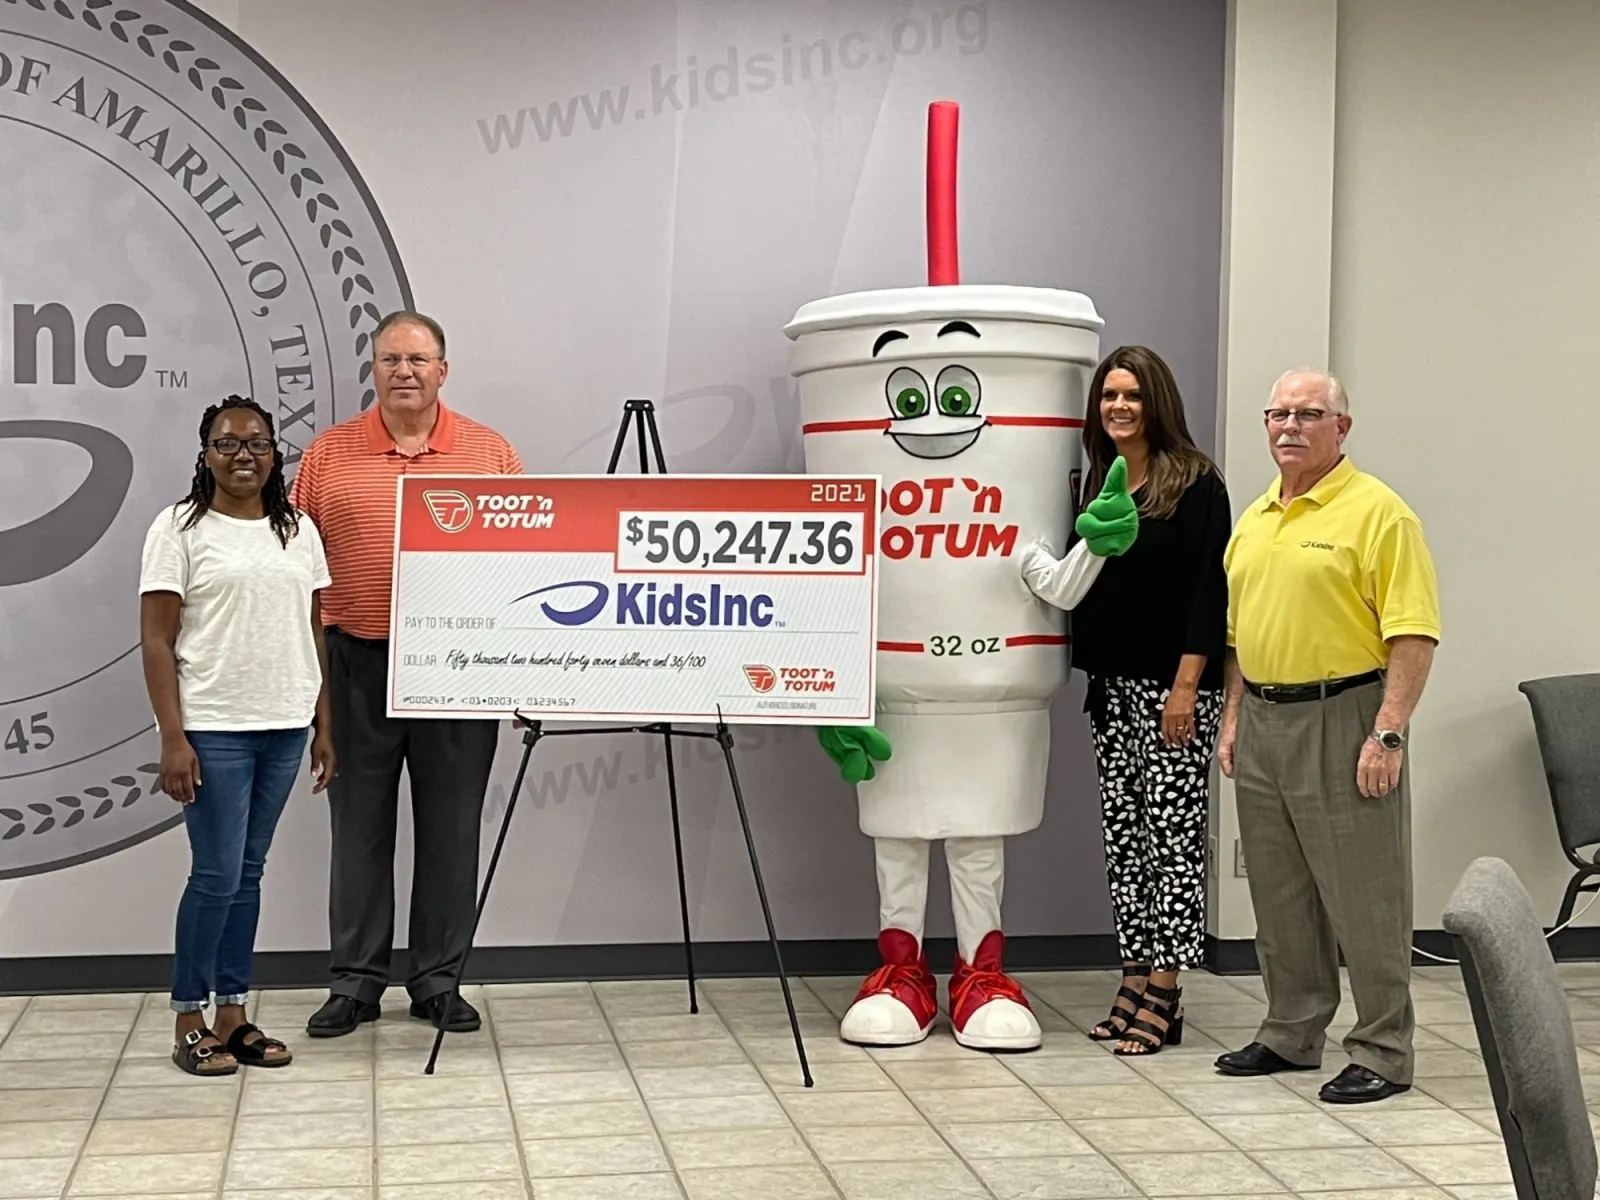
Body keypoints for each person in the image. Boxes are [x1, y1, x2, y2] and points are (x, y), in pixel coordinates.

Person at [291, 311, 522, 1037]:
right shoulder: (328, 456)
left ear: (442, 371)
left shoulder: (490, 455)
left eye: (418, 359)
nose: (404, 371)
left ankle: (437, 982)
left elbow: (527, 564)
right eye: (390, 358)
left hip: (460, 668)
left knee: (452, 830)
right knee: (357, 831)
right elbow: (299, 573)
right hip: (356, 663)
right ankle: (355, 983)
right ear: (373, 369)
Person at [1215, 368, 1440, 1105]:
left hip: (1345, 716)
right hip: (1266, 720)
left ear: (1341, 428)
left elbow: (1412, 633)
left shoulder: (1380, 515)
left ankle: (1383, 1048)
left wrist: (1389, 735)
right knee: (1279, 892)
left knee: (1365, 893)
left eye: (1309, 414)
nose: (1289, 426)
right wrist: (1235, 713)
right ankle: (1291, 1030)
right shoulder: (1253, 519)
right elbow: (1240, 635)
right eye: (1278, 413)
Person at [1033, 346, 1231, 1056]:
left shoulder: (1196, 482)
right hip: (1109, 691)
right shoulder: (1097, 483)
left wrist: (1184, 688)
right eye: (1109, 396)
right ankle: (1134, 974)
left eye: (1133, 396)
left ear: (1157, 404)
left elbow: (1212, 591)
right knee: (1125, 843)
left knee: (1173, 843)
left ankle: (1168, 990)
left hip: (1172, 692)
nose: (1119, 406)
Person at [140, 395, 336, 1076]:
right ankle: (188, 1017)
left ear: (275, 452)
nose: (244, 455)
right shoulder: (179, 529)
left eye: (257, 443)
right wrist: (173, 737)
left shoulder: (297, 530)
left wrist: (323, 724)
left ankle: (233, 1013)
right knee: (216, 875)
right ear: (205, 454)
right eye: (227, 444)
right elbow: (158, 641)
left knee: (247, 875)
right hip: (214, 729)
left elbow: (315, 631)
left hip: (284, 725)